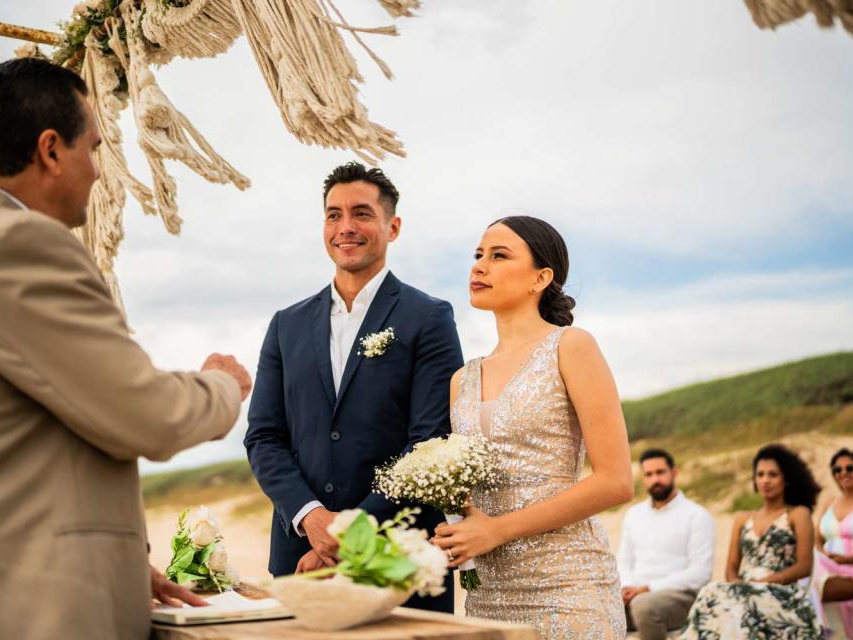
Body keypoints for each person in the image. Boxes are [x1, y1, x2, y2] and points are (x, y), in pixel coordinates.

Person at [0, 58, 251, 640]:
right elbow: (145, 413)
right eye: (92, 149)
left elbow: (18, 446)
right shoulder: (17, 243)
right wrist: (222, 386)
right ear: (50, 150)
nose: (97, 172)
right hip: (30, 611)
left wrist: (119, 562)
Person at [244, 162, 463, 612]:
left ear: (392, 226)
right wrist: (312, 519)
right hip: (299, 559)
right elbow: (264, 437)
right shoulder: (286, 325)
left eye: (361, 213)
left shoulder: (428, 317)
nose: (345, 227)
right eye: (333, 215)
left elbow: (429, 443)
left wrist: (349, 531)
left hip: (399, 561)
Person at [433, 216, 632, 638]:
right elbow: (467, 486)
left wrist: (496, 530)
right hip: (486, 592)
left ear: (541, 277)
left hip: (566, 585)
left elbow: (616, 482)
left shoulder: (571, 347)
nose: (479, 266)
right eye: (478, 255)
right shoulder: (462, 379)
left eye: (499, 255)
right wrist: (459, 527)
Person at [679, 444, 823, 639]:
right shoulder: (742, 518)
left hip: (781, 591)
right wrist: (739, 585)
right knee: (710, 592)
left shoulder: (797, 514)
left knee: (740, 605)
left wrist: (764, 582)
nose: (765, 480)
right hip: (744, 588)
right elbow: (730, 567)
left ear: (786, 479)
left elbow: (804, 567)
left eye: (773, 475)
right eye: (760, 475)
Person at [618, 448, 715, 639]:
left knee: (644, 607)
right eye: (649, 474)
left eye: (660, 472)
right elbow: (623, 561)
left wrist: (648, 588)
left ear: (674, 473)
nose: (655, 479)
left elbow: (701, 572)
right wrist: (628, 587)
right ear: (643, 478)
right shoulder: (633, 515)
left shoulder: (696, 515)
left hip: (682, 596)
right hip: (636, 594)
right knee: (601, 606)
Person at [810, 448, 853, 638]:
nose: (843, 473)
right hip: (827, 566)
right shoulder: (829, 502)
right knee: (808, 562)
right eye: (837, 470)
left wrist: (850, 558)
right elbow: (817, 538)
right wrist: (824, 555)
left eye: (849, 468)